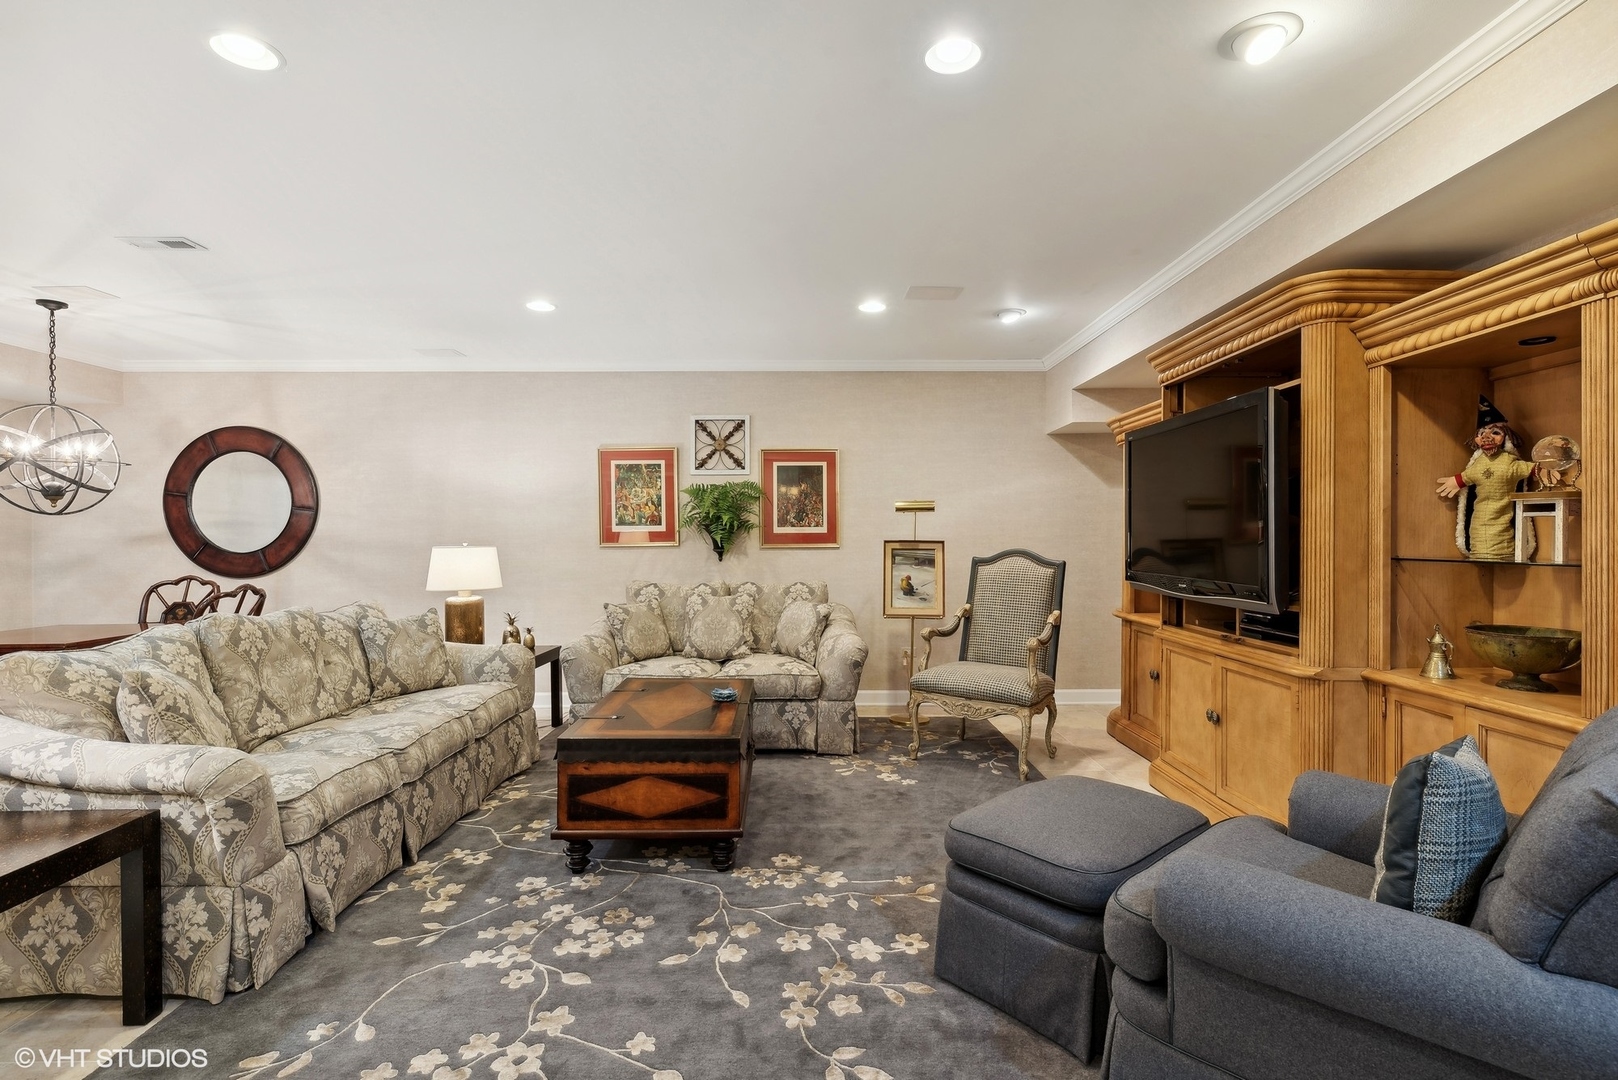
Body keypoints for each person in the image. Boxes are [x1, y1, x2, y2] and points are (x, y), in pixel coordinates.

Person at [1434, 396, 1538, 561]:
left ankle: (1503, 551)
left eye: (1495, 432)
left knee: (1502, 530)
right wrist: (1456, 481)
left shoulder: (1510, 462)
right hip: (1478, 519)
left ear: (1506, 437)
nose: (1487, 437)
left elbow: (1529, 468)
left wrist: (1543, 470)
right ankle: (1481, 550)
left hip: (1503, 522)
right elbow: (1469, 475)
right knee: (1478, 530)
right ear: (1476, 438)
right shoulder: (1479, 463)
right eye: (1482, 433)